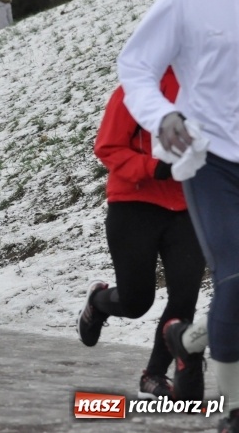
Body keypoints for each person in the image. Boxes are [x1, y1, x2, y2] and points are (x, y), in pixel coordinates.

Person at [117, 0, 239, 429]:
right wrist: (162, 113)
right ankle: (233, 405)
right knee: (237, 274)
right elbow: (137, 65)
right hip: (213, 160)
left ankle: (188, 339)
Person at [78, 69, 206, 401]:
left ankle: (154, 375)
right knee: (137, 302)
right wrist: (153, 168)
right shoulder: (138, 90)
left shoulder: (213, 85)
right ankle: (99, 302)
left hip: (188, 208)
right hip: (135, 204)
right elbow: (107, 147)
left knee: (184, 298)